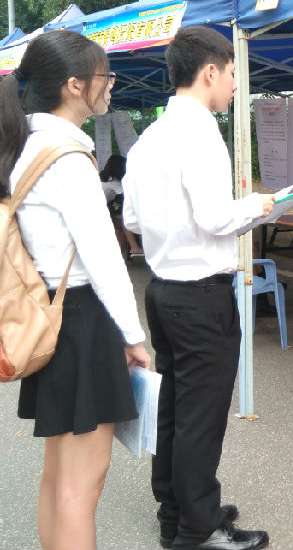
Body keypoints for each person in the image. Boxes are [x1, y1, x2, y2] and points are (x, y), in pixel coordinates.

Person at [123, 26, 275, 550]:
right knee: (200, 417)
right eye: (232, 73)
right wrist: (260, 206)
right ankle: (197, 530)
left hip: (163, 291)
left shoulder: (150, 137)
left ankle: (176, 511)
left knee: (174, 409)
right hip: (201, 296)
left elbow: (132, 218)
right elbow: (214, 217)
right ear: (210, 71)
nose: (235, 84)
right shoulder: (202, 132)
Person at [0, 30, 151, 549]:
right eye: (105, 75)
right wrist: (134, 337)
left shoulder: (25, 146)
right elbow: (104, 260)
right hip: (82, 322)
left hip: (49, 316)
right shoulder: (67, 157)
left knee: (59, 478)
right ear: (73, 85)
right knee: (82, 485)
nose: (110, 84)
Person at [98, 153, 143, 259]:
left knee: (121, 221)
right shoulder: (114, 182)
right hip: (100, 210)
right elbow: (125, 199)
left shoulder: (103, 176)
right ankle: (134, 248)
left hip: (99, 207)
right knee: (124, 220)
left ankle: (126, 257)